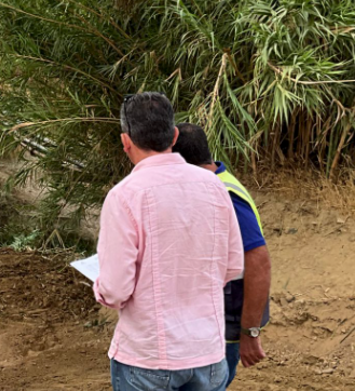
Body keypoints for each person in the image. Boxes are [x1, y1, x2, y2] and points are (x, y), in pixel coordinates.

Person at [94, 92, 244, 391]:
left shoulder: (124, 196)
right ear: (174, 135)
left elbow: (115, 289)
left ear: (126, 141)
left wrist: (101, 288)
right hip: (208, 352)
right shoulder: (214, 186)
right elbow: (233, 266)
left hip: (148, 356)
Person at [172, 123, 271, 387]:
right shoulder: (213, 184)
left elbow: (259, 263)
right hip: (212, 321)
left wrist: (250, 331)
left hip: (226, 324)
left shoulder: (226, 196)